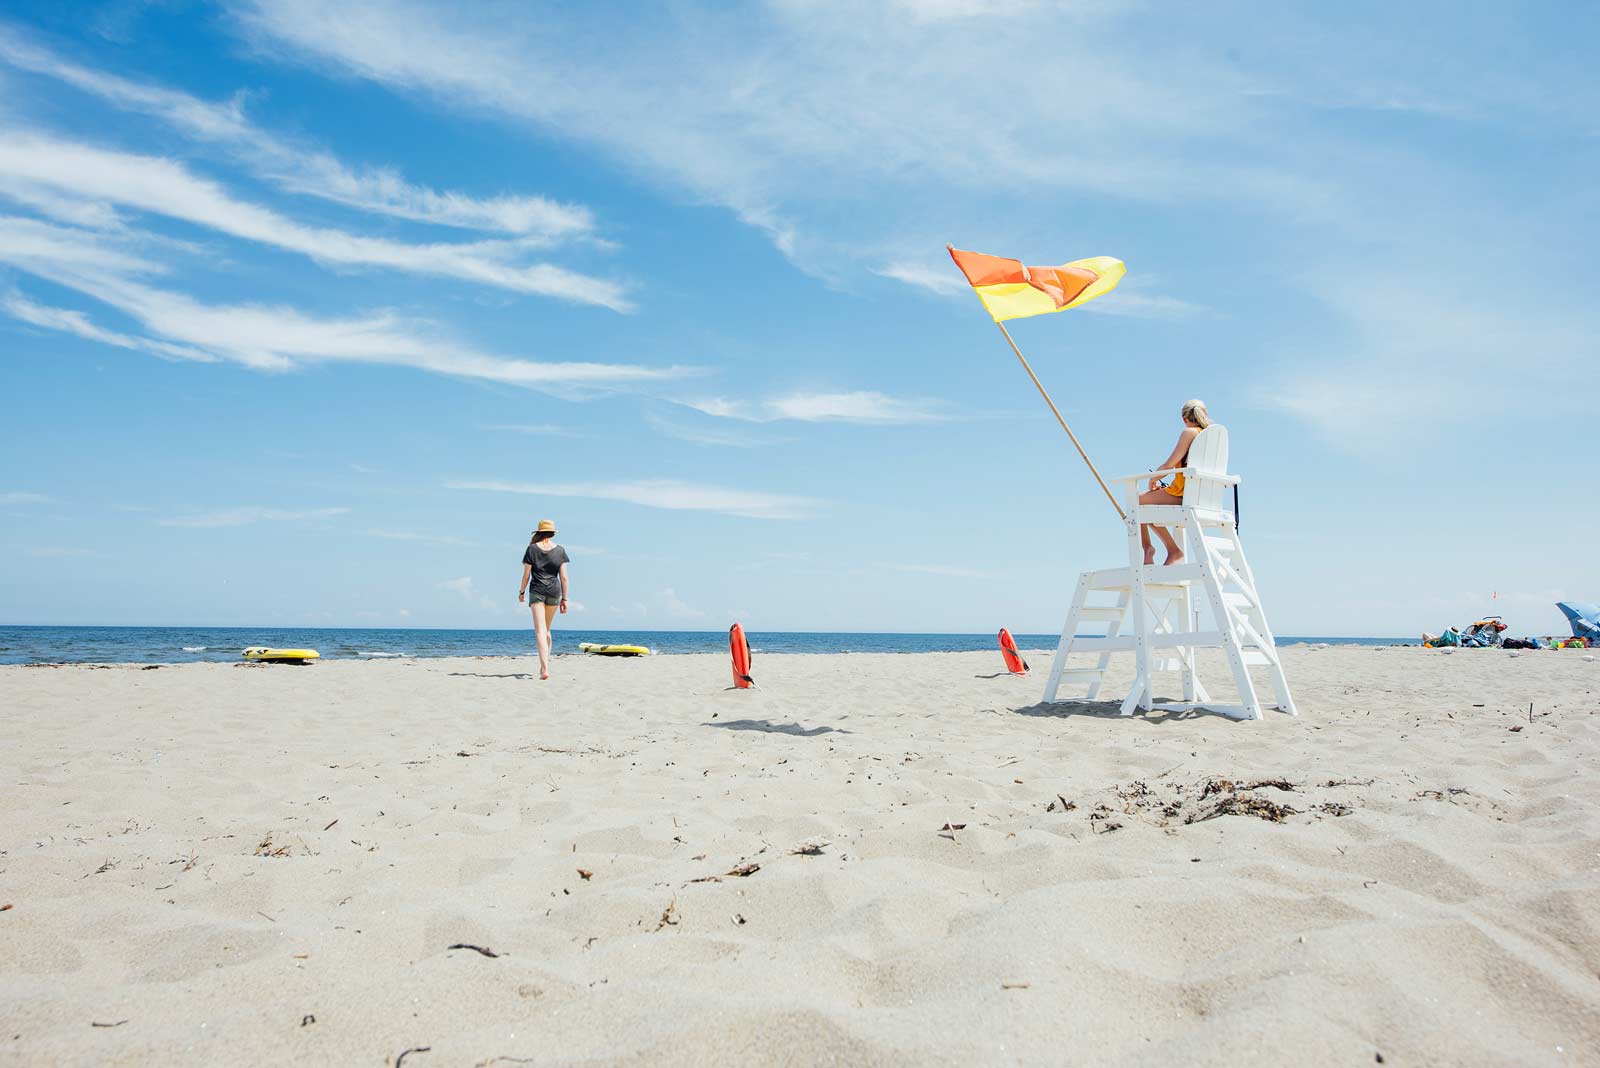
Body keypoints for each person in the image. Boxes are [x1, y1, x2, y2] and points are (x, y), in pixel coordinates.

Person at [1138, 399, 1210, 567]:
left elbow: (1169, 465)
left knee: (1137, 500)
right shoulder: (1210, 436)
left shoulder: (1189, 432)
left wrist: (1153, 479)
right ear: (1204, 414)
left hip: (1184, 495)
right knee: (1148, 507)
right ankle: (1167, 550)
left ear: (1184, 419)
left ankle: (1155, 549)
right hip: (1203, 496)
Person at [518, 520, 570, 680]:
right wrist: (565, 599)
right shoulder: (560, 550)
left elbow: (526, 575)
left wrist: (521, 591)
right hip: (555, 591)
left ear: (538, 533)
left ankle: (545, 668)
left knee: (540, 631)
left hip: (537, 591)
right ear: (552, 533)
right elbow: (564, 578)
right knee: (546, 630)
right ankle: (544, 666)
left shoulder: (532, 549)